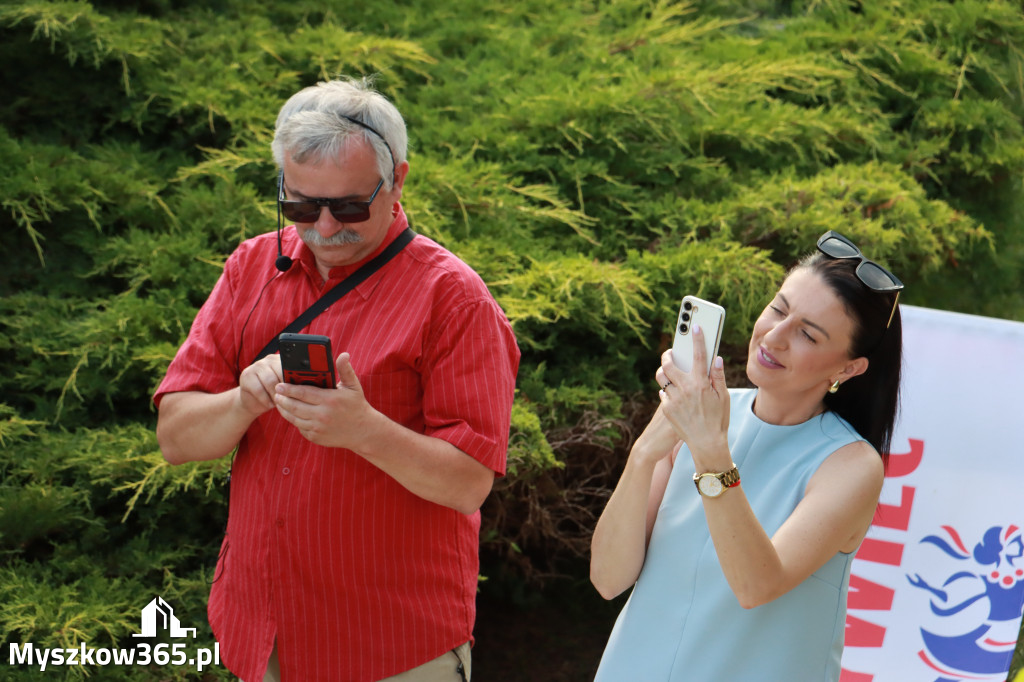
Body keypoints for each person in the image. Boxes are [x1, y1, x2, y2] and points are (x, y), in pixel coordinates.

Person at [154, 77, 519, 682]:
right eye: (299, 206)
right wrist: (243, 401)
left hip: (389, 650)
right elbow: (175, 438)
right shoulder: (250, 268)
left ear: (398, 180)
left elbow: (468, 484)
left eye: (348, 206)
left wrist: (365, 430)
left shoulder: (454, 298)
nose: (324, 229)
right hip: (260, 635)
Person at [590, 230, 904, 681]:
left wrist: (710, 449)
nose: (774, 336)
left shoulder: (851, 465)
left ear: (848, 368)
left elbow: (757, 585)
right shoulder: (701, 413)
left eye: (807, 335)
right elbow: (607, 578)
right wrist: (643, 455)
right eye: (778, 308)